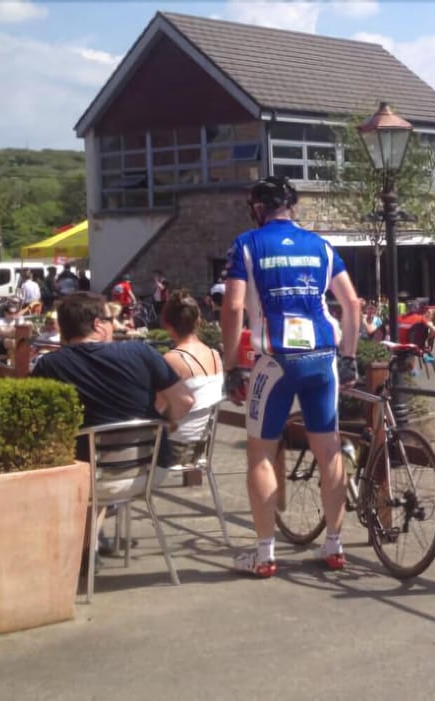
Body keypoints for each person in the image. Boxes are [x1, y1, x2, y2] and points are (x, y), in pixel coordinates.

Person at [219, 176, 362, 578]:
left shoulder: (246, 244)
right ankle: (334, 546)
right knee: (329, 450)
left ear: (258, 208)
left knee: (260, 454)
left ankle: (265, 553)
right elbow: (351, 302)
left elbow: (231, 309)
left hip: (276, 359)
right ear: (293, 207)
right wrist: (349, 356)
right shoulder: (321, 245)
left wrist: (231, 365)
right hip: (321, 357)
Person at [32, 292, 197, 558]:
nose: (116, 325)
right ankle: (91, 542)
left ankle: (85, 545)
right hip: (148, 471)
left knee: (72, 466)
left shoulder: (49, 365)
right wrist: (164, 421)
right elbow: (186, 401)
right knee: (99, 482)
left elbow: (37, 425)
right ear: (98, 324)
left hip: (86, 478)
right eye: (112, 319)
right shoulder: (141, 352)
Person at [159, 291, 223, 466]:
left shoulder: (172, 360)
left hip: (172, 450)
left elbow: (157, 406)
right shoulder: (215, 355)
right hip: (201, 448)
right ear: (198, 322)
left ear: (167, 325)